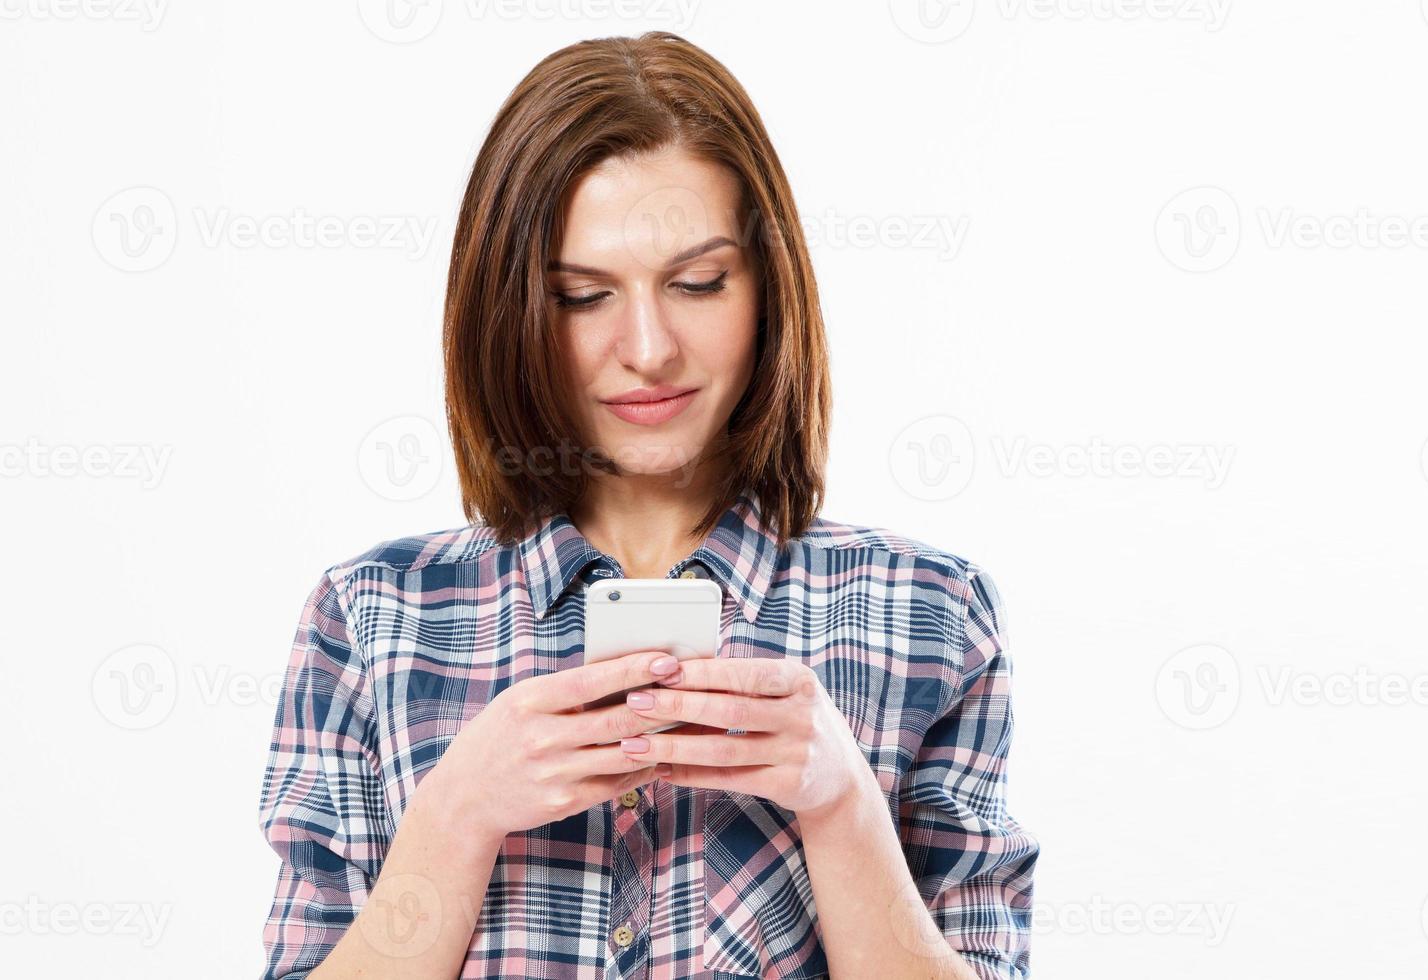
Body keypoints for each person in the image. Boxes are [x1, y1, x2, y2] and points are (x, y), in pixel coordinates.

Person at [257, 31, 1038, 980]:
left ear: (767, 289)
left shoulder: (929, 612)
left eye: (697, 282)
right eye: (582, 296)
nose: (648, 348)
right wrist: (456, 815)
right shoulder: (373, 617)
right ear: (510, 308)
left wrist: (841, 808)